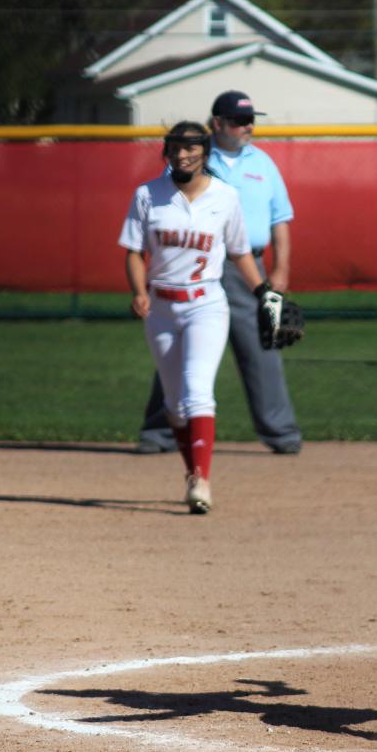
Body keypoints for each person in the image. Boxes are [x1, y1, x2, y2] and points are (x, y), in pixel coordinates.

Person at [136, 90, 302, 456]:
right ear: (217, 124)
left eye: (250, 120)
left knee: (262, 344)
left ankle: (280, 431)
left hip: (247, 265)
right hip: (195, 262)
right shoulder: (191, 157)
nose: (248, 127)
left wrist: (281, 269)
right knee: (176, 347)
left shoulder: (262, 163)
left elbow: (280, 219)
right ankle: (160, 431)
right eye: (239, 121)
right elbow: (165, 209)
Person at [120, 121, 266, 514]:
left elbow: (239, 253)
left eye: (191, 148)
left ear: (205, 152)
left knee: (196, 390)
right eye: (176, 148)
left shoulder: (225, 196)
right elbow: (134, 250)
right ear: (166, 151)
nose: (183, 155)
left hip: (206, 303)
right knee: (173, 403)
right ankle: (192, 473)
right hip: (161, 307)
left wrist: (263, 292)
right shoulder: (149, 195)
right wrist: (138, 291)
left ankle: (202, 480)